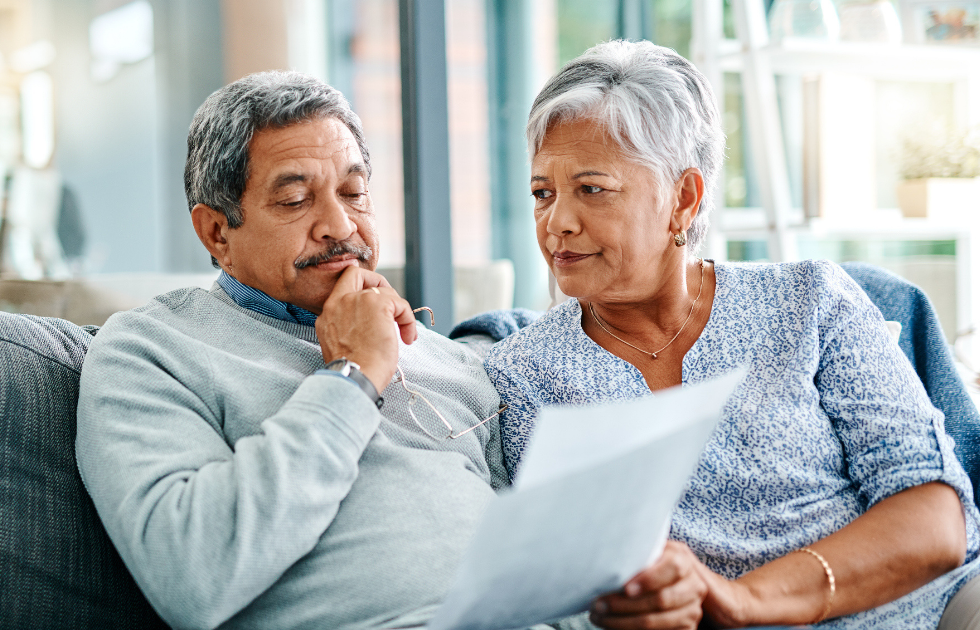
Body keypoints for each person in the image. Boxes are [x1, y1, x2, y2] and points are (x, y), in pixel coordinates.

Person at [76, 71, 613, 630]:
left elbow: (531, 553)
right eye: (294, 199)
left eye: (354, 194)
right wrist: (353, 376)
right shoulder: (150, 350)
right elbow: (194, 576)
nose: (338, 224)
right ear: (216, 233)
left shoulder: (445, 357)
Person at [485, 39, 980, 629]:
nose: (557, 223)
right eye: (543, 193)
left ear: (683, 198)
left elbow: (935, 519)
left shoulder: (811, 302)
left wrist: (743, 601)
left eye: (592, 189)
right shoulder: (520, 377)